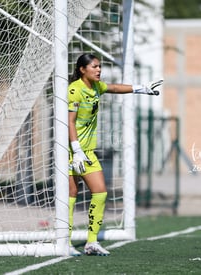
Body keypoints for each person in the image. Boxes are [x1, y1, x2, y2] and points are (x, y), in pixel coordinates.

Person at [68, 53, 163, 256]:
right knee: (71, 195)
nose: (99, 70)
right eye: (94, 66)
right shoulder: (74, 90)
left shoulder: (96, 87)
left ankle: (91, 242)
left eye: (99, 66)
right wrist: (75, 150)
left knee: (101, 192)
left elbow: (114, 88)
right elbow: (69, 122)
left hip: (87, 152)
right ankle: (63, 241)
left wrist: (141, 88)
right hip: (70, 150)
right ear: (82, 69)